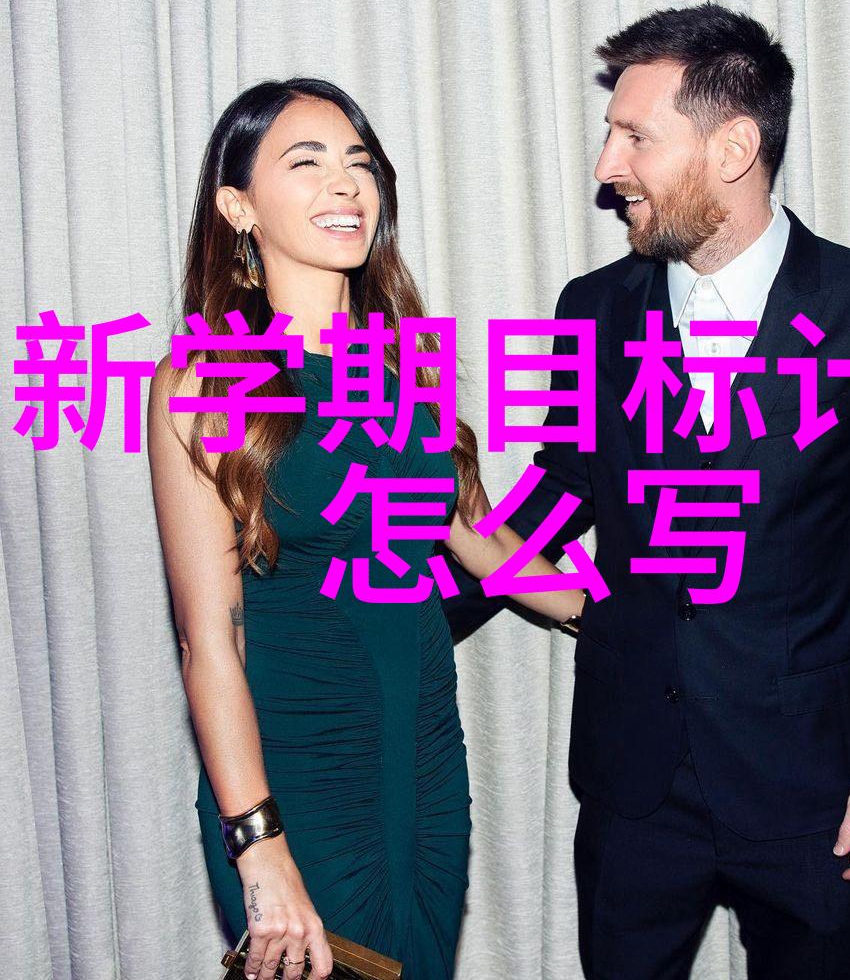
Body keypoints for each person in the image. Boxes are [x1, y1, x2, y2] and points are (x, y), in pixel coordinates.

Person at [442, 4, 850, 979]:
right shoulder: (593, 308)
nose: (607, 165)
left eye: (635, 135)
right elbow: (563, 488)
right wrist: (412, 615)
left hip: (815, 784)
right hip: (636, 780)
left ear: (733, 148)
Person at [146, 78, 587, 980]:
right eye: (306, 163)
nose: (345, 183)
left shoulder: (402, 361)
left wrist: (619, 616)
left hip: (424, 768)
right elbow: (209, 643)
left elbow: (482, 540)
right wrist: (259, 845)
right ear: (238, 206)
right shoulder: (204, 377)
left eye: (359, 163)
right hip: (295, 779)